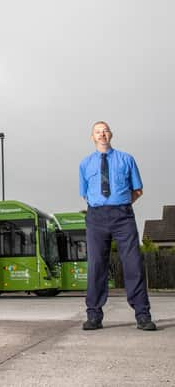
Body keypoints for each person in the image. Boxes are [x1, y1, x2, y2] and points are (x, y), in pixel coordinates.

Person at [79, 121, 156, 331]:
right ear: (92, 137)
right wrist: (103, 206)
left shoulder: (126, 159)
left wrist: (119, 204)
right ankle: (94, 316)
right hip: (96, 217)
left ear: (111, 134)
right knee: (96, 266)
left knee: (133, 264)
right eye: (97, 131)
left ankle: (143, 315)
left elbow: (137, 190)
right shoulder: (85, 165)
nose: (102, 134)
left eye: (105, 130)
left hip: (123, 216)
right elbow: (85, 193)